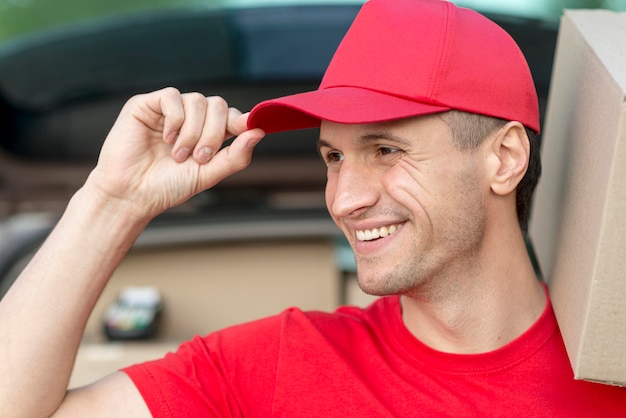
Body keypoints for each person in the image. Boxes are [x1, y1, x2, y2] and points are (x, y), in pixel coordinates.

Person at [1, 0, 625, 416]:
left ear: (505, 158)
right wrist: (112, 203)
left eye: (386, 149)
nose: (346, 198)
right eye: (333, 157)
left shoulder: (612, 368)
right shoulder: (275, 367)